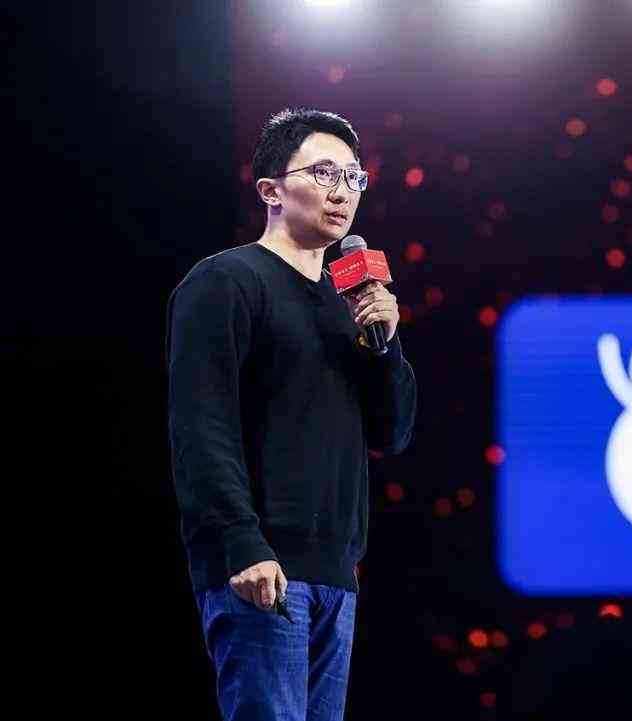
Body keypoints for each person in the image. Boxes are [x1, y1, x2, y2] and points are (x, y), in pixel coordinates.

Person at [166, 107, 417, 720]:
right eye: (324, 172)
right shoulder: (225, 282)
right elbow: (201, 426)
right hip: (263, 565)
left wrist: (386, 344)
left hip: (336, 573)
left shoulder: (351, 304)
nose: (342, 191)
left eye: (354, 177)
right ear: (271, 190)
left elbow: (393, 432)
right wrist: (239, 542)